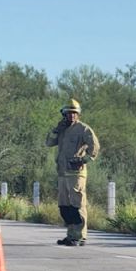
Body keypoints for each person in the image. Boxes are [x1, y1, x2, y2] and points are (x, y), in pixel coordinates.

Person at [45, 98, 100, 246]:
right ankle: (70, 235)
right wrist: (56, 130)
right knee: (65, 206)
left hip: (76, 173)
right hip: (62, 173)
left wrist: (84, 160)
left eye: (74, 113)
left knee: (77, 204)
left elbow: (94, 147)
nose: (72, 116)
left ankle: (80, 236)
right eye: (69, 113)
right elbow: (49, 142)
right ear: (64, 114)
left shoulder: (83, 129)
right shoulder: (61, 129)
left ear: (78, 114)